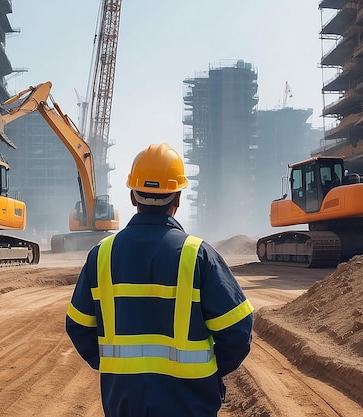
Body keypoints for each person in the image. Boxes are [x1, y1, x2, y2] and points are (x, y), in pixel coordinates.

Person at [66, 143, 254, 417]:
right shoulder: (198, 255)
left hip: (124, 402)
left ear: (132, 197)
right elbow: (238, 330)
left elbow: (79, 326)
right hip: (190, 406)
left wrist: (114, 368)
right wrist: (210, 372)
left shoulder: (101, 255)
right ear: (177, 198)